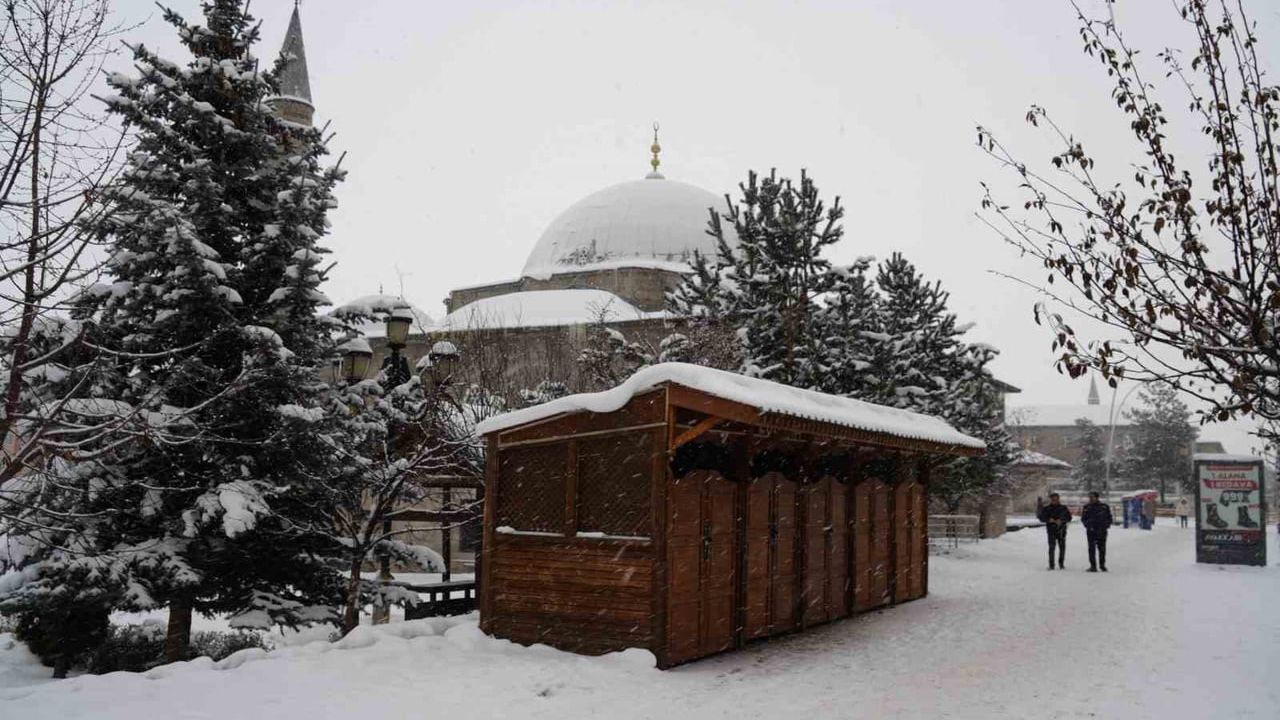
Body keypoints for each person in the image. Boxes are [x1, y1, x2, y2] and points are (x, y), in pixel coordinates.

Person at [1037, 492, 1071, 570]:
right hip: (1051, 530)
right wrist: (1049, 519)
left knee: (1062, 548)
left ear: (1058, 499)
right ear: (1051, 500)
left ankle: (1061, 564)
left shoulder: (1063, 508)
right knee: (1051, 548)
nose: (1054, 501)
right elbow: (1041, 518)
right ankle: (1051, 564)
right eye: (1053, 499)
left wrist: (1061, 520)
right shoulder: (1047, 508)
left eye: (1056, 499)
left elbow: (1069, 518)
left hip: (1061, 530)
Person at [1081, 491, 1114, 572]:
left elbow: (1109, 518)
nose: (1091, 499)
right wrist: (1088, 525)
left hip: (1102, 531)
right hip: (1091, 531)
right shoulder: (1086, 507)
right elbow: (1083, 519)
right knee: (1091, 549)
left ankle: (1102, 565)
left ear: (1097, 497)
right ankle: (1093, 566)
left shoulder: (1104, 507)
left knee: (1102, 549)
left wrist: (1106, 525)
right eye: (1090, 497)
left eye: (1092, 497)